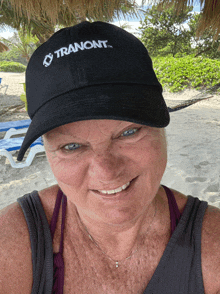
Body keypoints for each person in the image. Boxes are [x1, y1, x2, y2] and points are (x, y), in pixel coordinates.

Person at [0, 21, 220, 294]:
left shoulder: (213, 244)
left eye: (128, 132)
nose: (106, 171)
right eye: (71, 146)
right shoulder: (12, 240)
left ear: (161, 127)